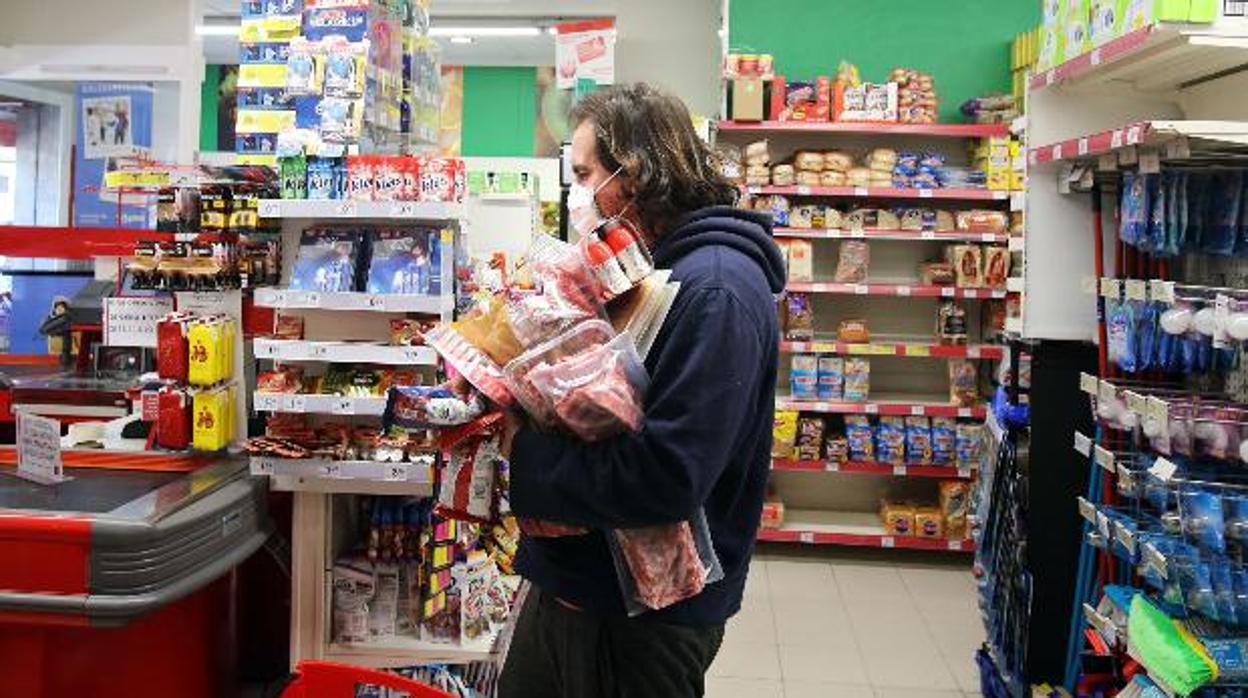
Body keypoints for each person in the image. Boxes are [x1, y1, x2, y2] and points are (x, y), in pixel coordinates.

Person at [498, 83, 785, 698]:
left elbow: (667, 476)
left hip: (640, 622)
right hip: (582, 591)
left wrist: (519, 453)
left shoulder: (715, 290)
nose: (577, 195)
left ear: (637, 174)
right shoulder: (653, 270)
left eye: (584, 174)